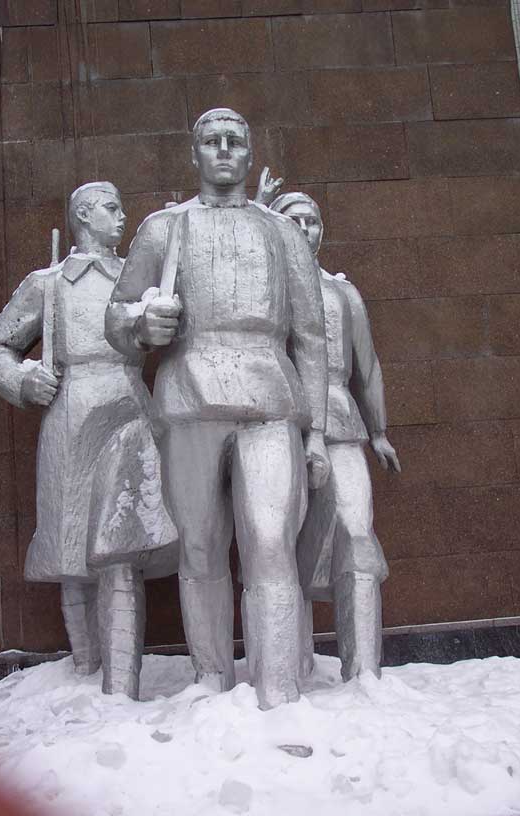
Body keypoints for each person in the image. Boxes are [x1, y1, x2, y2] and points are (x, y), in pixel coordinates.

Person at [106, 109, 330, 710]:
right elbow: (118, 315)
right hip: (189, 398)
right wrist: (142, 325)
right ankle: (211, 676)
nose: (224, 150)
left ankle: (278, 686)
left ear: (250, 154)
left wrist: (316, 432)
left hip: (270, 399)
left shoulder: (281, 233)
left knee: (270, 543)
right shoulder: (164, 228)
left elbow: (311, 337)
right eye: (212, 141)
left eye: (235, 141)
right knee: (201, 546)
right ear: (195, 153)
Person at [0, 182, 177, 700]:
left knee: (121, 543)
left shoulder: (137, 280)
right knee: (70, 546)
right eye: (111, 208)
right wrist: (24, 380)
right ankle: (87, 669)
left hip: (128, 408)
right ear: (84, 215)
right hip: (70, 415)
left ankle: (120, 684)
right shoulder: (47, 284)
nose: (122, 217)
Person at [268, 190, 400, 681]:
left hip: (342, 422)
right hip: (278, 423)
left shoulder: (343, 294)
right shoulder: (263, 289)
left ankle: (364, 671)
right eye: (293, 221)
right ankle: (290, 668)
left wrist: (379, 430)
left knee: (357, 536)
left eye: (312, 221)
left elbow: (368, 365)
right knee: (277, 546)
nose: (305, 230)